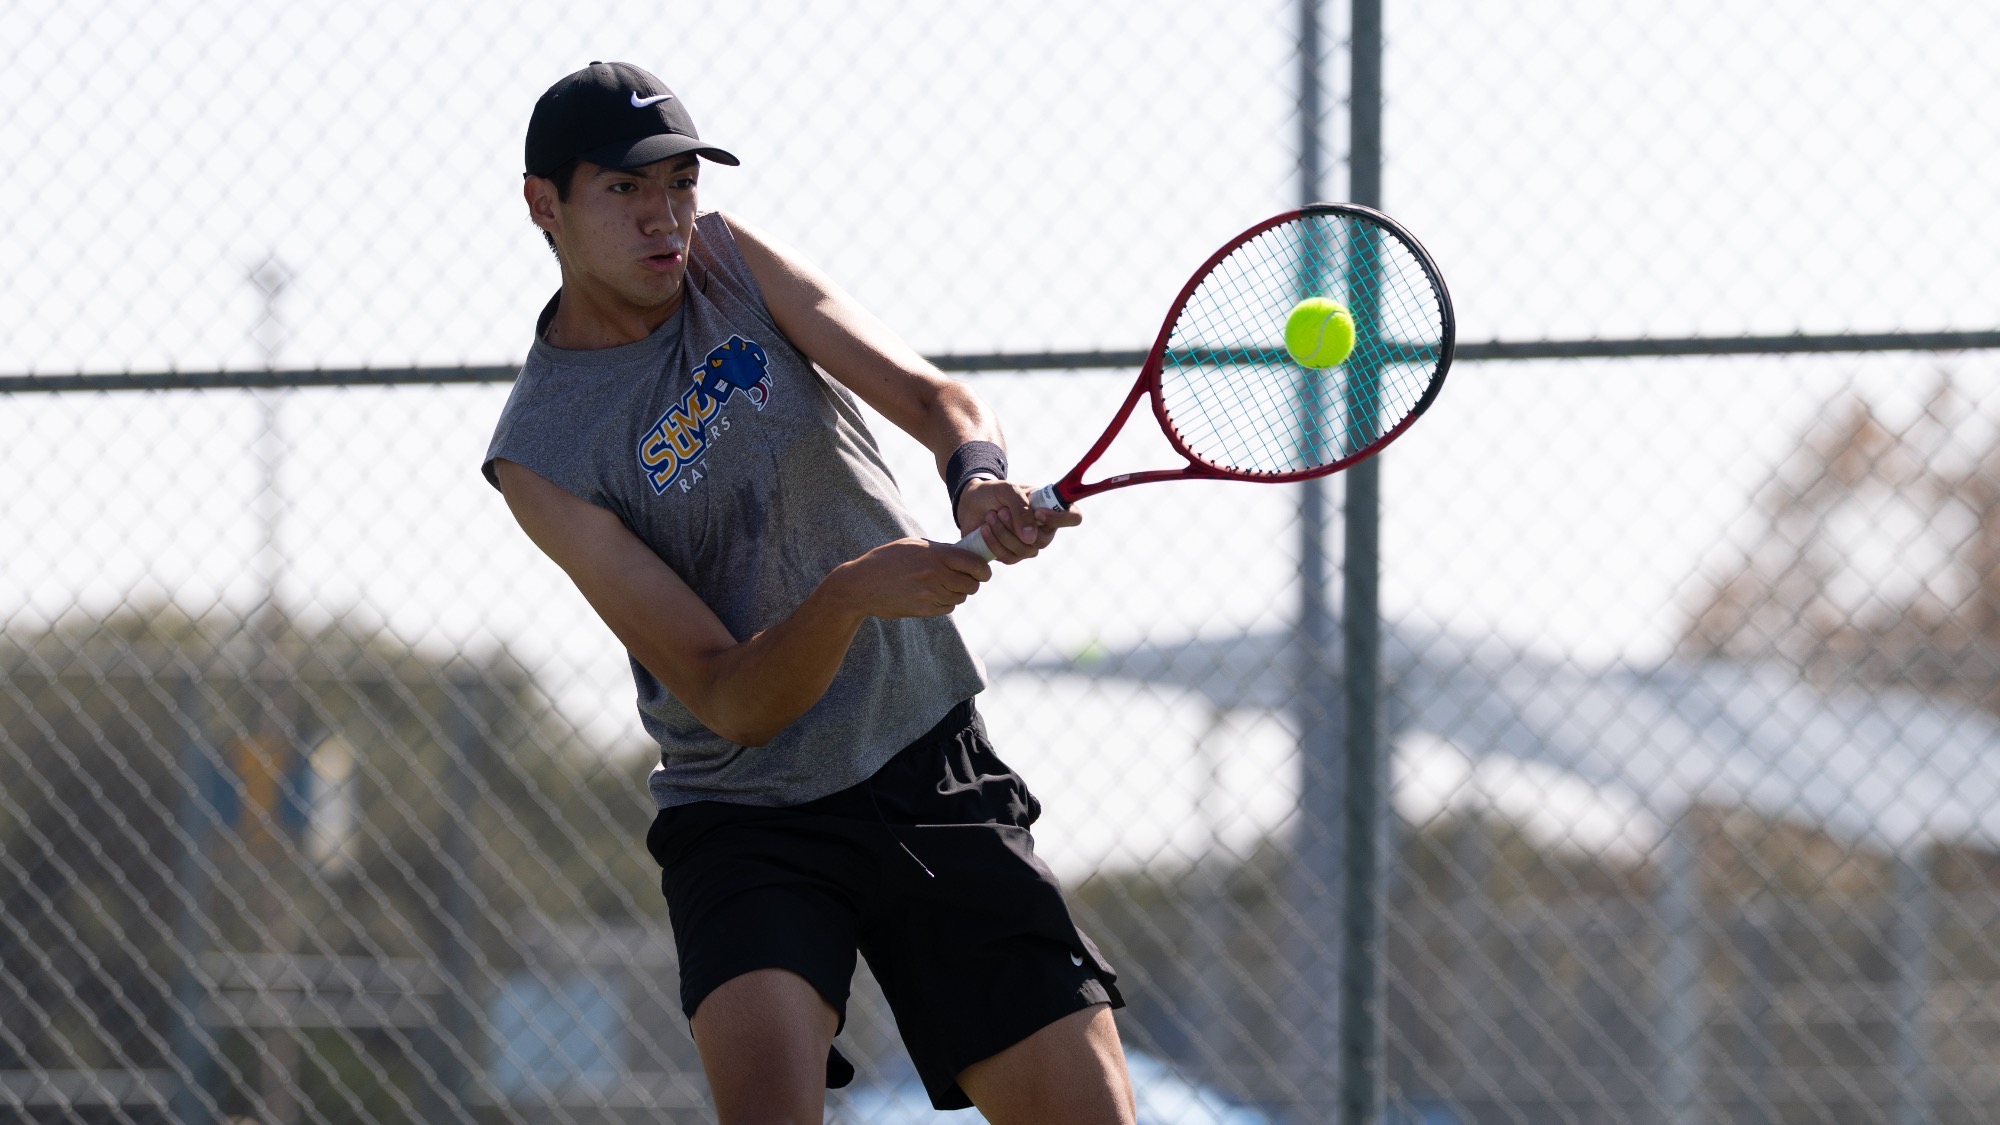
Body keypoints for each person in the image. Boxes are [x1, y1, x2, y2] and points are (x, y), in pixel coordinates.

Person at [482, 61, 1137, 1124]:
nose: (665, 218)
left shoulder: (734, 262)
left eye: (681, 184)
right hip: (746, 819)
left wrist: (974, 476)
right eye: (625, 190)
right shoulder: (538, 457)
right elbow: (726, 696)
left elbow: (934, 398)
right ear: (541, 204)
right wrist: (848, 597)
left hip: (927, 762)